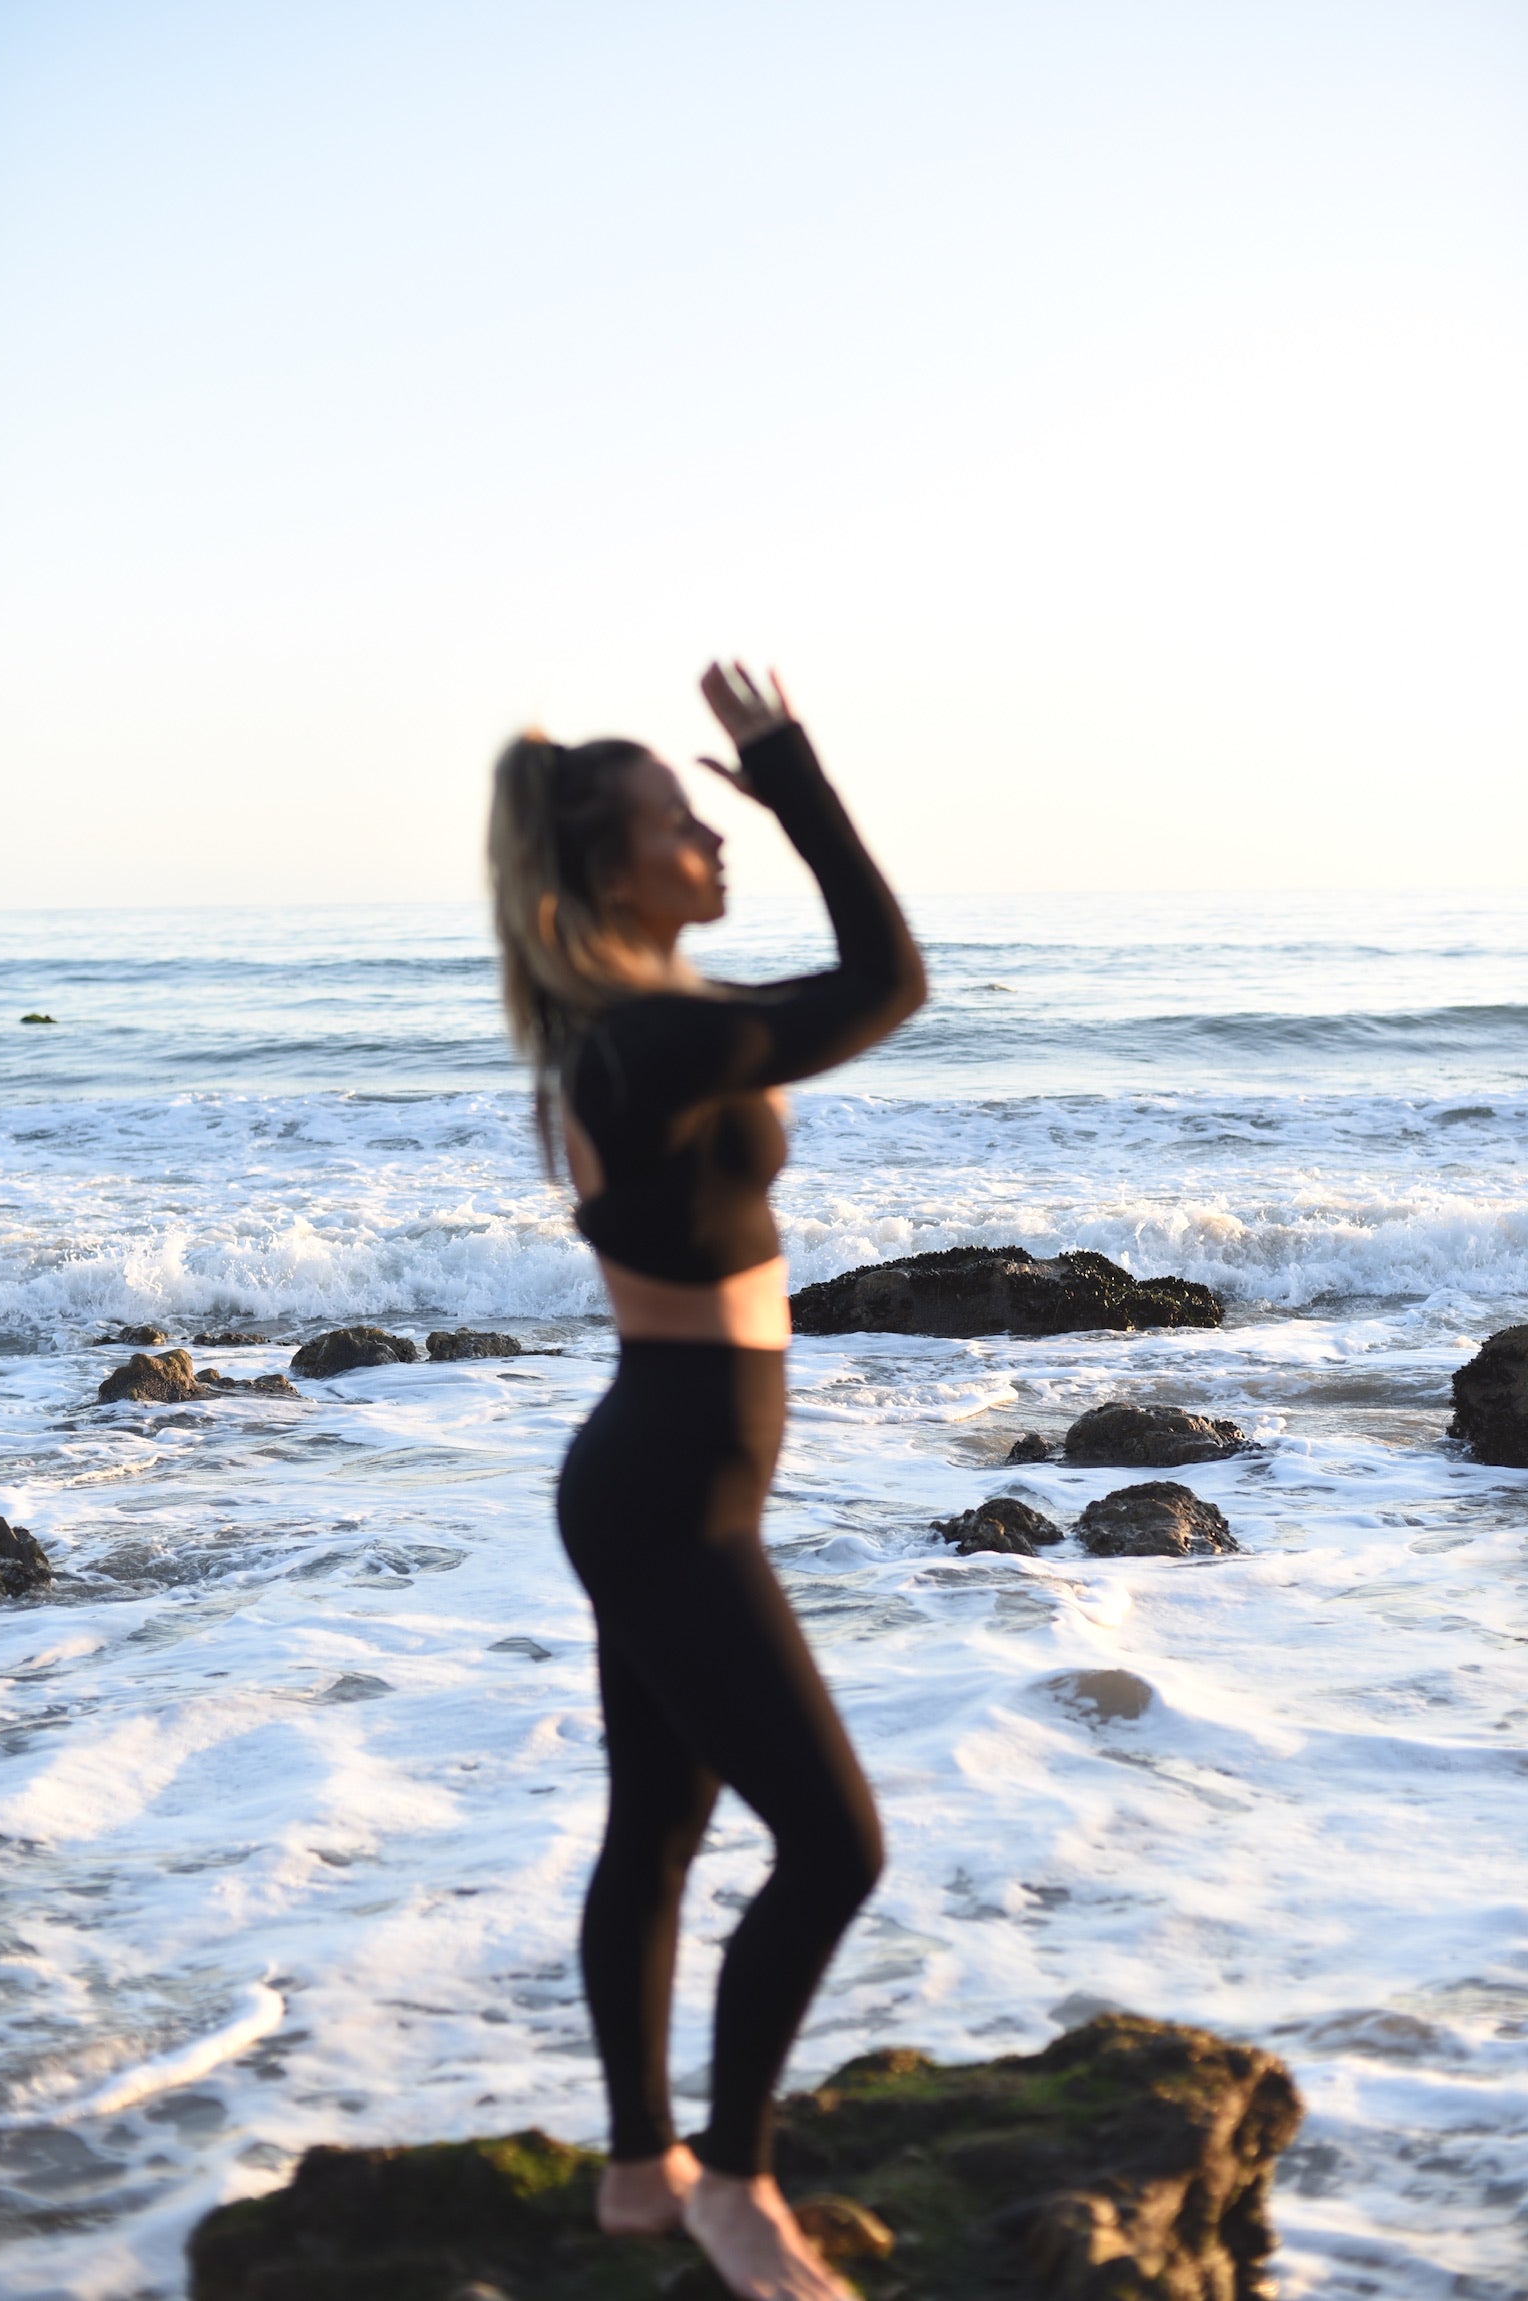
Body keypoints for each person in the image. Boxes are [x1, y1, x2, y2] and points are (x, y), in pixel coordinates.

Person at [489, 663, 926, 2301]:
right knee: (835, 1843)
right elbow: (890, 979)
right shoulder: (650, 1038)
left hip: (663, 1468)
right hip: (670, 1485)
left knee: (660, 1828)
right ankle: (736, 2181)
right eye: (684, 827)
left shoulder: (626, 1029)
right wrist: (791, 775)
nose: (711, 839)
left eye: (714, 813)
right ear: (611, 873)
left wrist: (760, 797)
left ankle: (635, 2165)